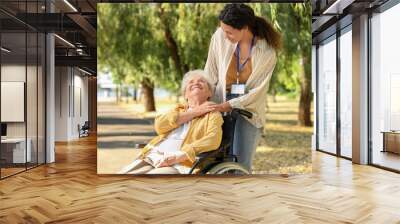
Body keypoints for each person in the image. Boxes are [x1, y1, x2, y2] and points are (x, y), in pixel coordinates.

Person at [204, 3, 281, 172]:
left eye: (229, 32)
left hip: (249, 107)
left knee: (240, 163)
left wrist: (231, 104)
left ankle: (241, 195)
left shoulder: (267, 52)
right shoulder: (219, 37)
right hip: (219, 101)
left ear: (245, 28)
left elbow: (258, 90)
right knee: (214, 159)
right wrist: (202, 101)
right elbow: (210, 72)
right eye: (223, 30)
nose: (225, 36)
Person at [118, 70, 223, 174]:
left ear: (210, 92)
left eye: (201, 81)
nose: (195, 83)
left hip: (179, 164)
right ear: (185, 94)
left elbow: (213, 139)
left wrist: (180, 155)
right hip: (152, 156)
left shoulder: (212, 114)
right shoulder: (178, 110)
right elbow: (159, 126)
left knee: (146, 183)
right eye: (191, 82)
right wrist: (195, 112)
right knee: (120, 178)